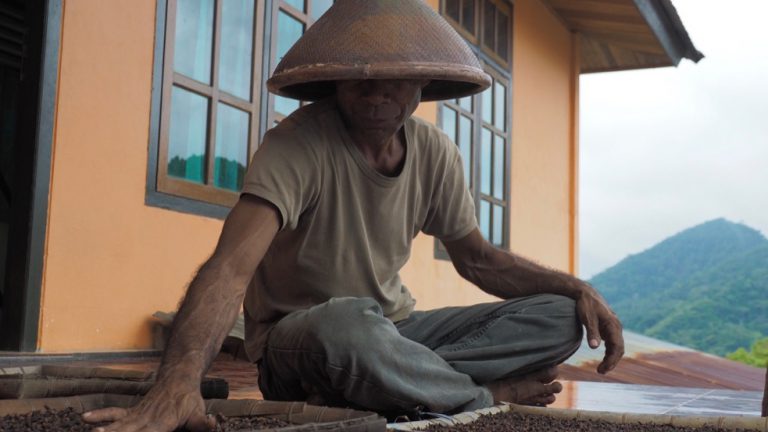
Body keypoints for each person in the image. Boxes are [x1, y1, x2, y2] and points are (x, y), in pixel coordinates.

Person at [84, 1, 624, 431]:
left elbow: (478, 260)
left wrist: (576, 288)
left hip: (396, 334)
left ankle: (393, 385)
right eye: (360, 76)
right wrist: (176, 384)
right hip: (304, 339)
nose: (376, 92)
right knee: (349, 326)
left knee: (558, 316)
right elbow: (230, 268)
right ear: (335, 81)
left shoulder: (435, 152)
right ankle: (476, 397)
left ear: (422, 83)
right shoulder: (297, 144)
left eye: (395, 77)